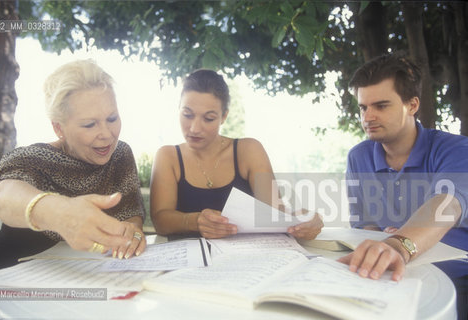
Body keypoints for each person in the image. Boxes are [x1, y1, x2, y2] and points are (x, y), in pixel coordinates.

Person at [337, 53, 468, 317]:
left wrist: (399, 244)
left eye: (381, 106)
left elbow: (447, 205)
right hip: (392, 279)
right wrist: (379, 240)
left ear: (412, 105)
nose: (368, 117)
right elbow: (365, 224)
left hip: (458, 280)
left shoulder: (455, 150)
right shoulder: (358, 157)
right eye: (363, 107)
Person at [0, 59, 147, 272]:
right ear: (59, 128)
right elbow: (1, 196)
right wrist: (59, 213)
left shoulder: (120, 154)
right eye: (90, 124)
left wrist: (133, 232)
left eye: (112, 118)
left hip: (88, 277)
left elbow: (131, 213)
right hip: (9, 274)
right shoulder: (31, 158)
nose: (107, 134)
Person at [150, 69, 323, 239]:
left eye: (208, 118)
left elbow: (274, 214)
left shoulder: (249, 151)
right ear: (178, 110)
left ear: (224, 116)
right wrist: (194, 221)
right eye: (187, 115)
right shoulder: (168, 156)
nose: (195, 128)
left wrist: (305, 219)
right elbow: (160, 221)